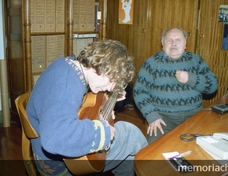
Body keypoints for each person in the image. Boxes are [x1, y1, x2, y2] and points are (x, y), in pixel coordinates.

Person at [26, 40, 148, 176]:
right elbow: (54, 139)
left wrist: (112, 96)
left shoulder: (69, 66)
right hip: (62, 164)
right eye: (112, 80)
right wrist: (104, 133)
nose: (111, 87)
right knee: (131, 135)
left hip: (52, 158)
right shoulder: (67, 85)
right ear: (101, 67)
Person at [133, 27, 218, 143]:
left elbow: (213, 86)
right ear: (162, 44)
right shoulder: (151, 63)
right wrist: (152, 115)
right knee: (155, 150)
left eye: (178, 40)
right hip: (163, 118)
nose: (174, 44)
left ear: (185, 44)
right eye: (169, 40)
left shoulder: (196, 60)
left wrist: (191, 79)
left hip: (194, 115)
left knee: (207, 145)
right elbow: (139, 91)